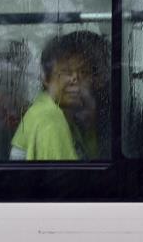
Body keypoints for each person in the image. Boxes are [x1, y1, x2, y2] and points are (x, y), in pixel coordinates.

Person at [10, 31, 107, 161]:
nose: (75, 79)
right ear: (46, 78)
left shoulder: (63, 114)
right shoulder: (50, 120)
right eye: (66, 71)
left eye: (83, 71)